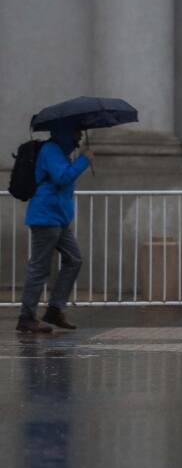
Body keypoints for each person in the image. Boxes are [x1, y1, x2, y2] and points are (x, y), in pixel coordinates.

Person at [16, 122, 93, 333]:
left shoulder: (61, 152)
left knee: (74, 259)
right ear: (66, 132)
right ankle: (26, 317)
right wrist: (84, 160)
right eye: (77, 130)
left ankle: (55, 310)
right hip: (46, 217)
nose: (79, 135)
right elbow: (62, 178)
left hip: (58, 218)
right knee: (40, 267)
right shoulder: (51, 151)